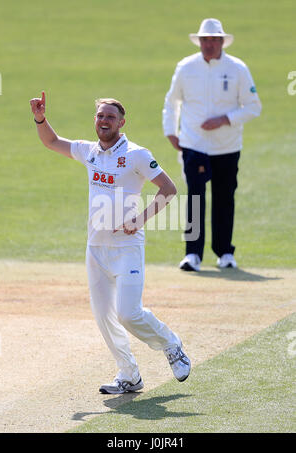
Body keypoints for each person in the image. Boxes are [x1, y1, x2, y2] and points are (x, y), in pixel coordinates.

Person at [29, 92, 191, 394]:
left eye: (110, 116)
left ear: (122, 122)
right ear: (95, 120)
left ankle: (172, 345)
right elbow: (52, 141)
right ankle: (129, 375)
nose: (104, 120)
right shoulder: (90, 151)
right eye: (100, 116)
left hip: (127, 249)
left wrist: (139, 219)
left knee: (128, 314)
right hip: (96, 250)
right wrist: (40, 118)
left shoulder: (137, 155)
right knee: (105, 318)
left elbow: (168, 188)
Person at [163, 18, 262, 271]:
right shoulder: (186, 67)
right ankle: (192, 255)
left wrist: (225, 119)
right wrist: (170, 132)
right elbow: (171, 101)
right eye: (205, 40)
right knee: (195, 198)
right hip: (193, 143)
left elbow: (253, 107)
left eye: (213, 40)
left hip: (227, 146)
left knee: (224, 197)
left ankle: (225, 252)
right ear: (200, 41)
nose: (209, 44)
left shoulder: (237, 68)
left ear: (221, 41)